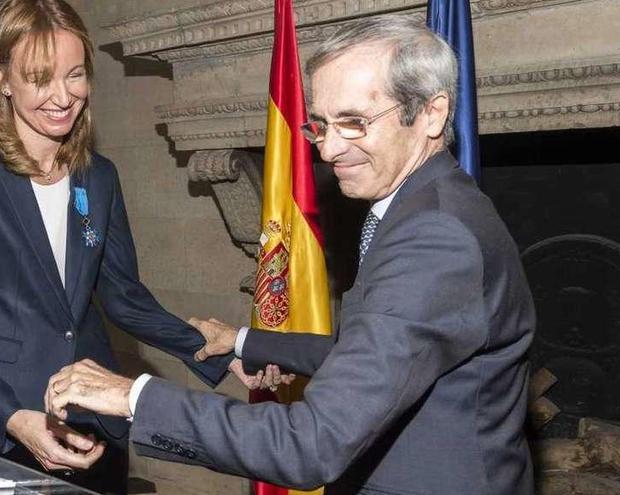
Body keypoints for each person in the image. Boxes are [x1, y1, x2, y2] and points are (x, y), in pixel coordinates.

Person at [45, 15, 536, 495]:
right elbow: (372, 349)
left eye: (354, 123)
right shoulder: (421, 203)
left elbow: (312, 444)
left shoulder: (434, 237)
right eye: (321, 126)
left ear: (431, 113)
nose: (328, 150)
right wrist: (239, 340)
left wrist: (132, 396)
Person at [0, 1, 256, 493]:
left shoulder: (99, 176)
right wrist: (12, 416)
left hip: (88, 420)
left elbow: (124, 295)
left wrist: (215, 353)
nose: (62, 96)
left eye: (75, 75)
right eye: (40, 78)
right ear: (1, 79)